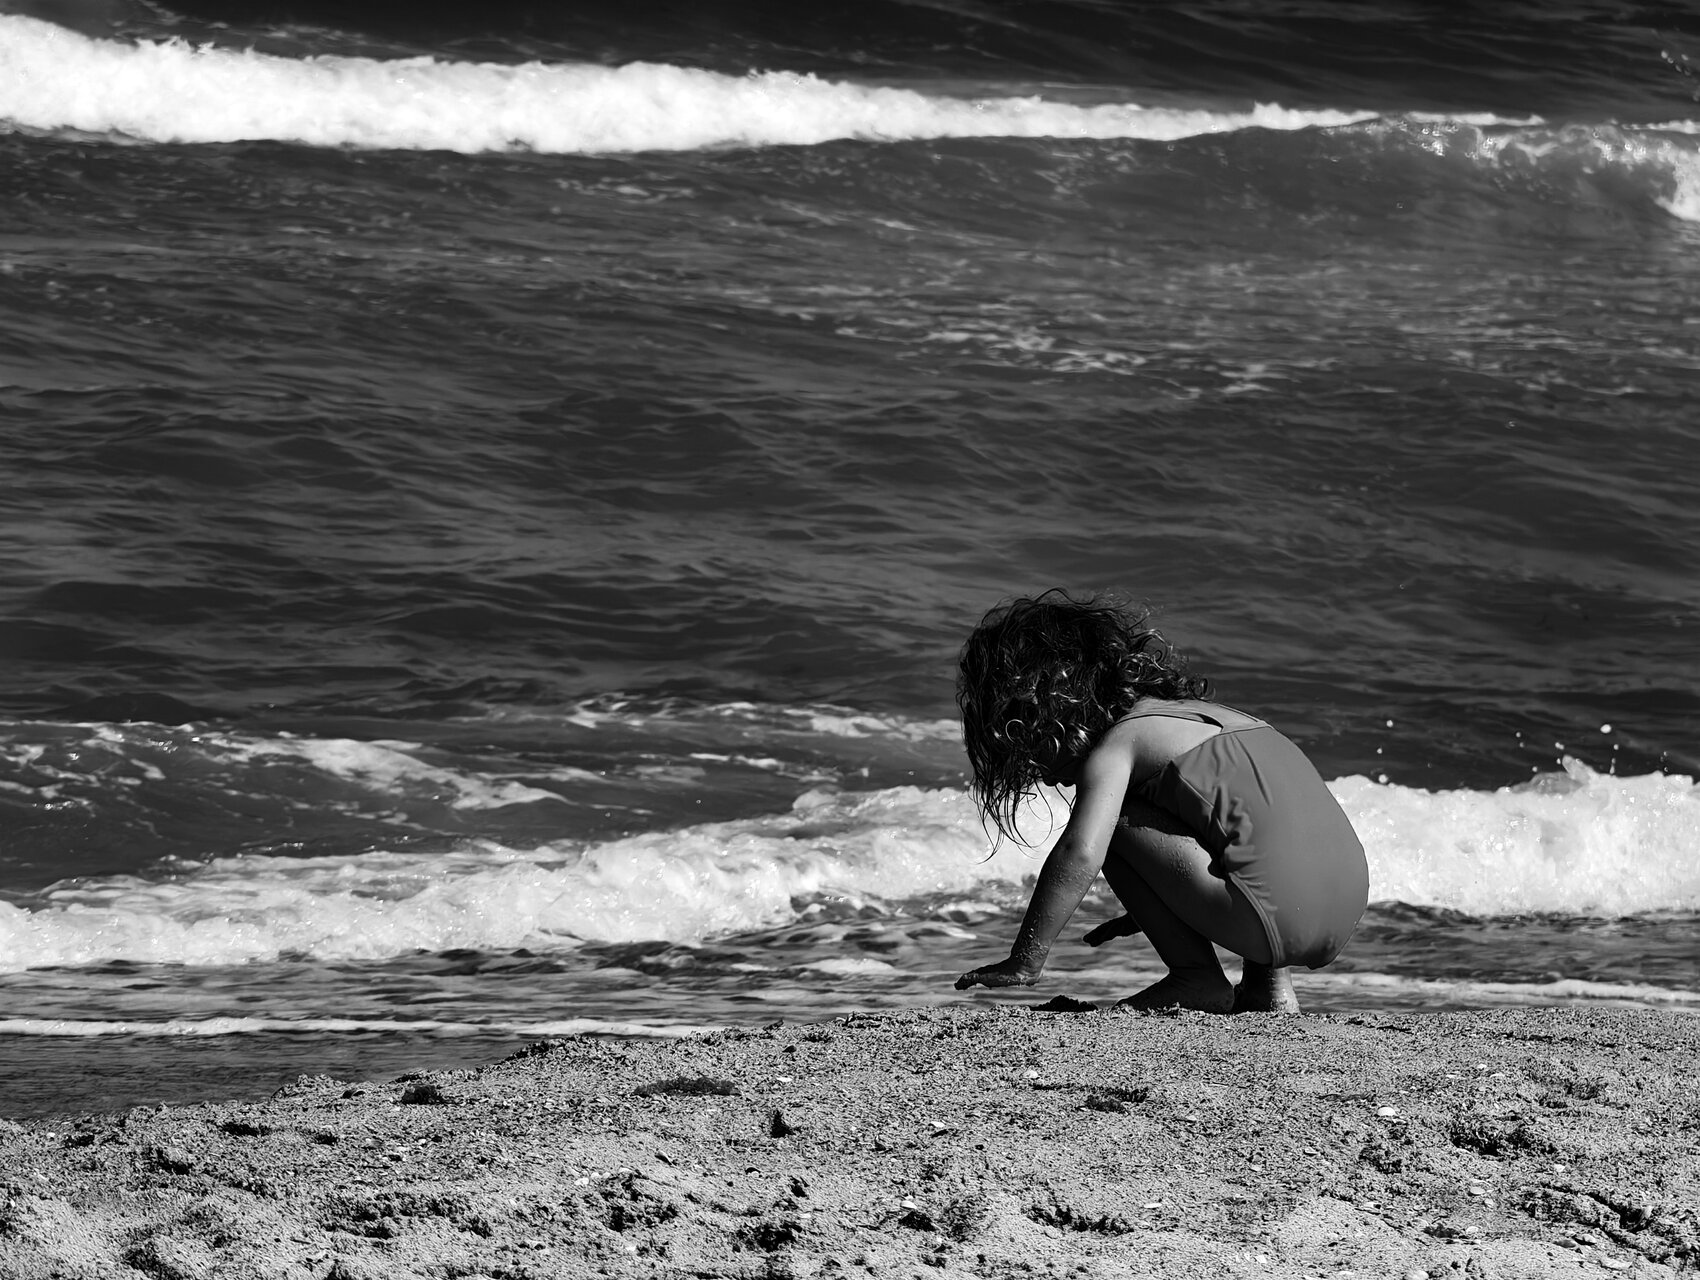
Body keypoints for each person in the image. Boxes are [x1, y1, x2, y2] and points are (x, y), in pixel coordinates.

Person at [952, 590, 1368, 1013]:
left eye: (1030, 749)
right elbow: (1261, 836)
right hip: (1344, 908)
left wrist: (1025, 958)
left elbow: (1080, 852)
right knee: (1247, 838)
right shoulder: (1215, 718)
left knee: (1113, 824)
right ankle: (1271, 991)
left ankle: (1195, 977)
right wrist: (1156, 904)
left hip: (1268, 917)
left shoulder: (1120, 744)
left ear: (1050, 712)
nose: (1042, 775)